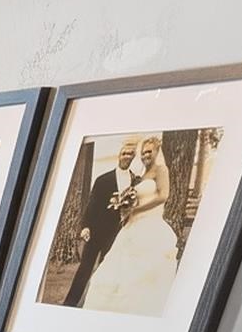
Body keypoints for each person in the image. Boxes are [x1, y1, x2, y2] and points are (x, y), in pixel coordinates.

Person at [83, 133, 180, 314]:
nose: (145, 155)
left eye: (149, 152)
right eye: (143, 153)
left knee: (142, 271)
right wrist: (126, 206)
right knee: (116, 266)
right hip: (132, 225)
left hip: (150, 225)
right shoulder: (141, 176)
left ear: (157, 151)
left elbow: (163, 195)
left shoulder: (161, 170)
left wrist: (136, 209)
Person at [60, 136, 142, 305]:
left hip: (117, 233)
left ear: (133, 157)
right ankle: (70, 303)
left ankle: (99, 304)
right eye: (124, 153)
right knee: (85, 268)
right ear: (119, 155)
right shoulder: (103, 179)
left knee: (108, 270)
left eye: (130, 154)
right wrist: (85, 227)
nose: (126, 156)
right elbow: (92, 205)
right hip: (96, 231)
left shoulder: (136, 182)